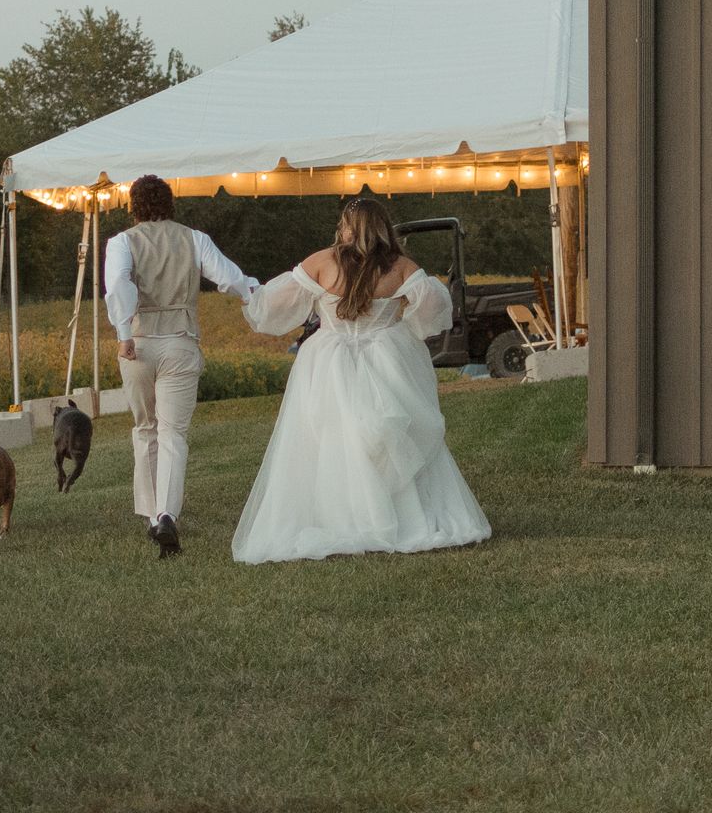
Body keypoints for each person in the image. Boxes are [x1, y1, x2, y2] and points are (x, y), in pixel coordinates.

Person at [233, 197, 491, 564]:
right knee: (388, 436)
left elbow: (273, 307)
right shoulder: (400, 266)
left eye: (343, 222)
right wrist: (405, 322)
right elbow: (434, 307)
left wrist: (250, 292)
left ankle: (341, 516)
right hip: (386, 359)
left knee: (332, 437)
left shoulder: (323, 262)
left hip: (328, 360)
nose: (340, 228)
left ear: (352, 228)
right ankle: (398, 516)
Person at [104, 174, 256, 557]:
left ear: (133, 206)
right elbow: (229, 277)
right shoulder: (194, 238)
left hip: (138, 344)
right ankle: (166, 513)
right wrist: (255, 295)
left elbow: (118, 285)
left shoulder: (123, 242)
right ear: (170, 203)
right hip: (180, 342)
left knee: (145, 429)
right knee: (174, 433)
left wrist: (123, 333)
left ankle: (153, 517)